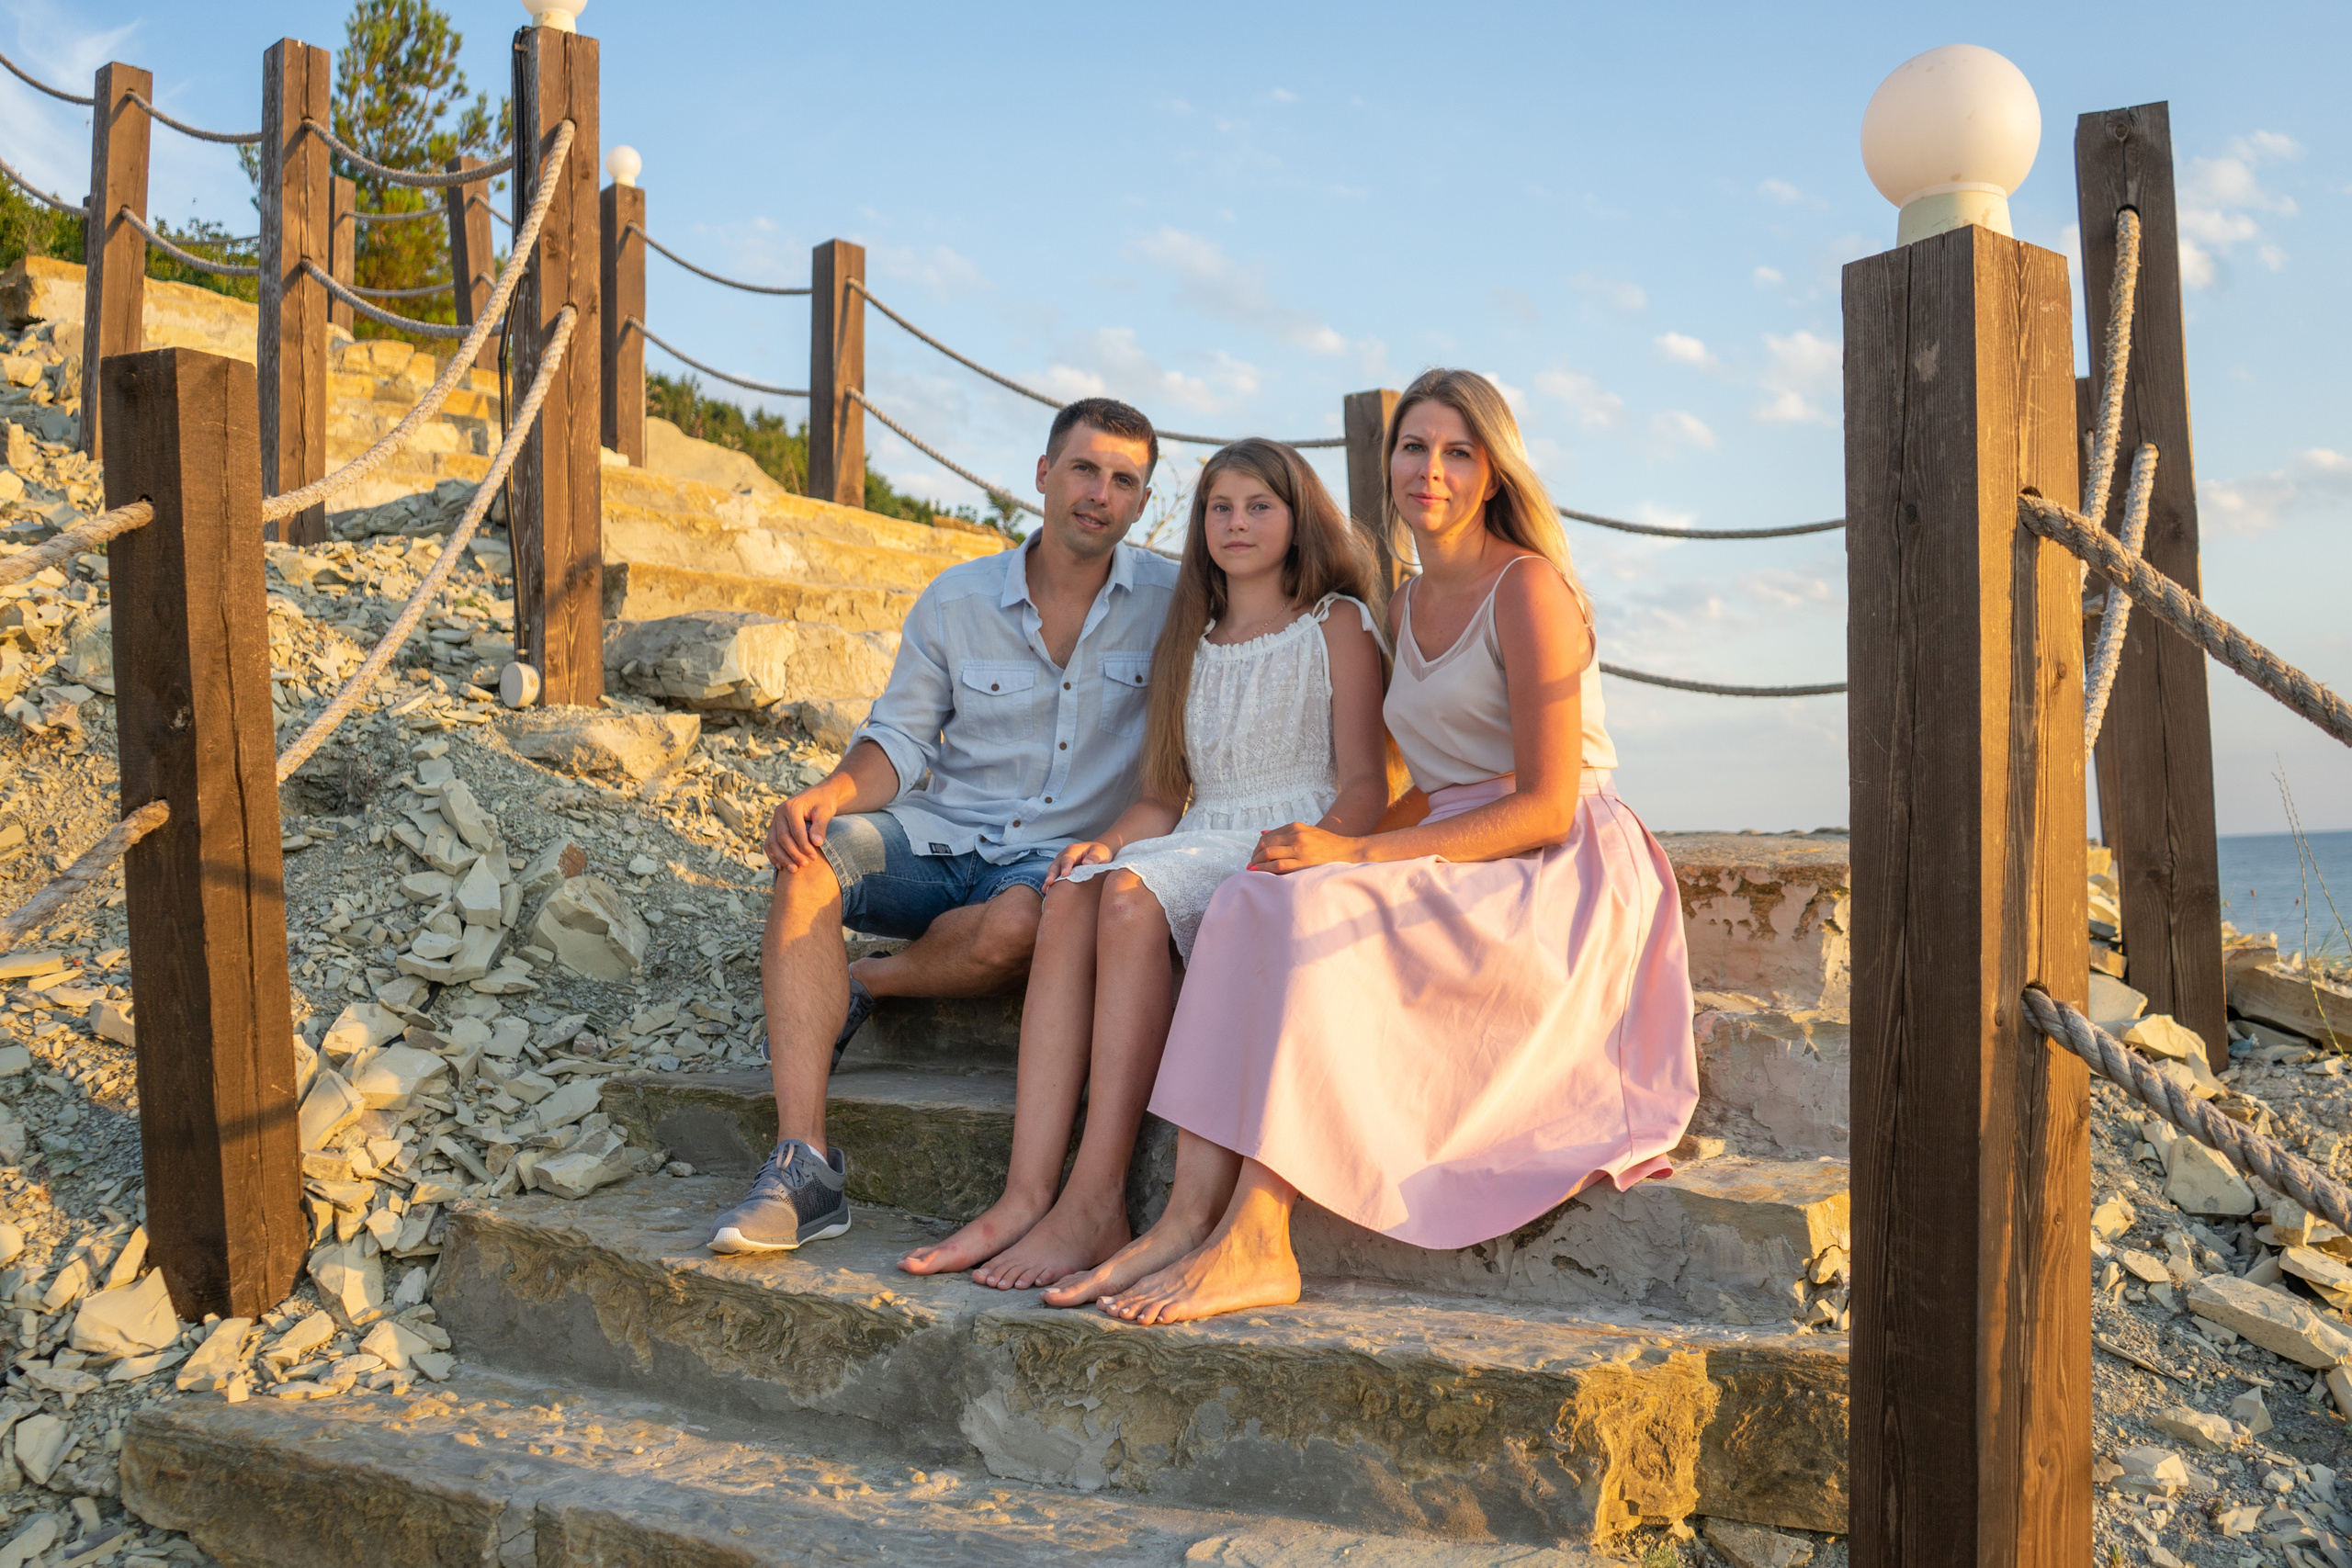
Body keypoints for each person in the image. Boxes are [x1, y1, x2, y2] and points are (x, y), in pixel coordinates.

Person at [1045, 368, 1699, 1323]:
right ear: (1388, 464)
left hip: (1558, 870)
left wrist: (1354, 859)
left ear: (1493, 473)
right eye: (1413, 447)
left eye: (1457, 452)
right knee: (1252, 892)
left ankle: (1260, 1236)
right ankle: (1186, 1217)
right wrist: (1326, 845)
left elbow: (1546, 806)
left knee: (1318, 905)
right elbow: (1424, 785)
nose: (1429, 469)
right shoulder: (1405, 602)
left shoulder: (1528, 588)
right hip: (1454, 839)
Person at [899, 439, 1389, 1288]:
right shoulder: (1190, 635)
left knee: (1127, 897)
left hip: (1293, 831)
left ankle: (1096, 1197)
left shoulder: (1334, 622)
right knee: (1073, 889)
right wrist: (1109, 841)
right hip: (1203, 830)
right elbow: (1165, 795)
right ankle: (1025, 1193)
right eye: (1219, 507)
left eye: (1259, 506)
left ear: (1299, 517)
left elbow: (1366, 783)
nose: (1236, 523)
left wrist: (1329, 841)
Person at [708, 398, 1179, 1254]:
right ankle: (803, 1163)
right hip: (939, 835)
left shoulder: (1171, 602)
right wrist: (830, 792)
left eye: (1123, 481)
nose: (1099, 493)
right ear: (1044, 474)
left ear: (1143, 502)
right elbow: (899, 740)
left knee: (1019, 926)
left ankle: (867, 981)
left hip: (1049, 864)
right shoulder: (957, 600)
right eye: (1084, 468)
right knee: (809, 860)